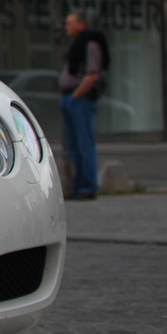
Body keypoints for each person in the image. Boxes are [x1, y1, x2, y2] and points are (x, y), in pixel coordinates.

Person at [58, 11, 108, 201]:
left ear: (80, 24)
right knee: (74, 145)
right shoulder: (77, 43)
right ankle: (79, 186)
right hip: (71, 97)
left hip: (80, 98)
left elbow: (93, 73)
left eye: (70, 23)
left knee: (84, 143)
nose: (67, 27)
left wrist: (76, 95)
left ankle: (88, 187)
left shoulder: (90, 43)